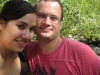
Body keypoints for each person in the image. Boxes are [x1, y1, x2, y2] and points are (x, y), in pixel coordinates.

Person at [23, 0, 100, 75]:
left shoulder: (82, 54)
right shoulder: (25, 49)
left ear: (60, 24)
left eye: (53, 18)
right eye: (42, 16)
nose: (47, 22)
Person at [0, 0, 36, 75]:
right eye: (21, 26)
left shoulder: (24, 62)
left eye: (32, 29)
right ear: (1, 24)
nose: (27, 36)